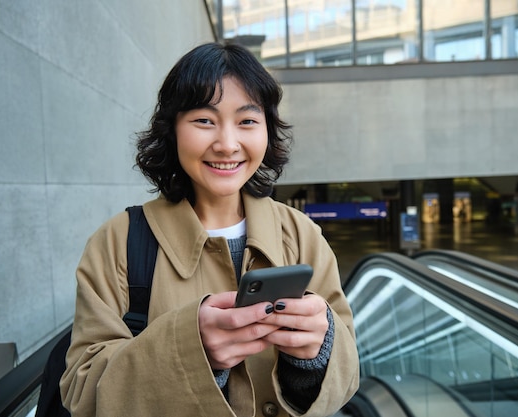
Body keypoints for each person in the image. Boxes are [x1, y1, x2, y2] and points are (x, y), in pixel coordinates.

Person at [60, 41, 359, 417]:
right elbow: (82, 390)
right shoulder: (119, 239)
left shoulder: (301, 233)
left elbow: (347, 372)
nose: (227, 144)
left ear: (267, 131)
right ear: (172, 129)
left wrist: (313, 357)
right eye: (204, 120)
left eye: (247, 121)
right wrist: (192, 353)